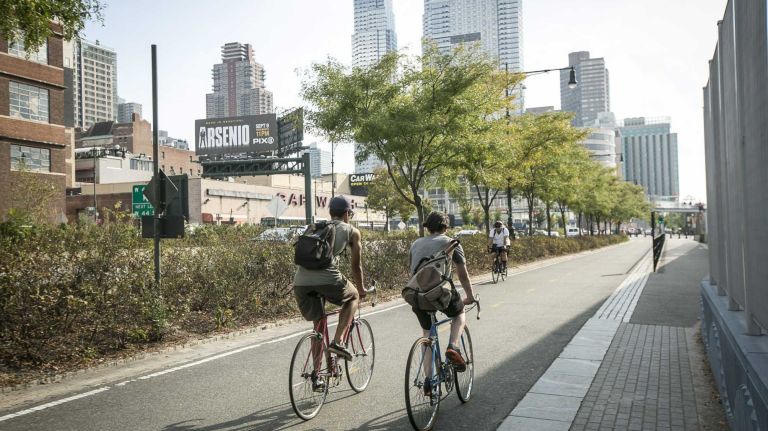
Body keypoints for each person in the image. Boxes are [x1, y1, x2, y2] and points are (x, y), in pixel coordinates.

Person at [293, 196, 366, 388]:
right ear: (346, 214)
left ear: (331, 212)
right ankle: (337, 341)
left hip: (300, 283)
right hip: (328, 279)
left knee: (318, 325)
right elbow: (356, 266)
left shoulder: (314, 227)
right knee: (353, 297)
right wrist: (361, 288)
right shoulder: (351, 230)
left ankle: (316, 375)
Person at [409, 212, 477, 387]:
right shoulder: (451, 242)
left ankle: (429, 381)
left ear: (428, 227)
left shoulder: (416, 243)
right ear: (445, 227)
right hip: (439, 291)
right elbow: (462, 274)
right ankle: (452, 347)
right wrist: (469, 296)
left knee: (427, 334)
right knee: (459, 312)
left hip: (416, 293)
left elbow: (413, 271)